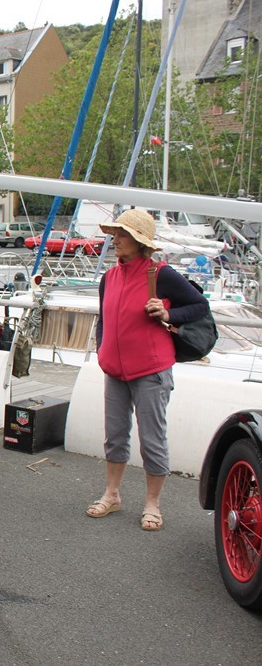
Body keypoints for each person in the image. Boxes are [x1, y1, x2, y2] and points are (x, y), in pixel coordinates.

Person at [86, 209, 209, 531]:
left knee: (152, 440)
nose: (115, 240)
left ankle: (152, 504)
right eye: (114, 234)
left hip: (151, 370)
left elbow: (199, 306)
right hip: (115, 371)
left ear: (139, 242)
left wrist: (167, 312)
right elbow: (104, 320)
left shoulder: (161, 274)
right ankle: (112, 495)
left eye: (121, 235)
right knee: (115, 437)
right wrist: (102, 350)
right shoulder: (109, 277)